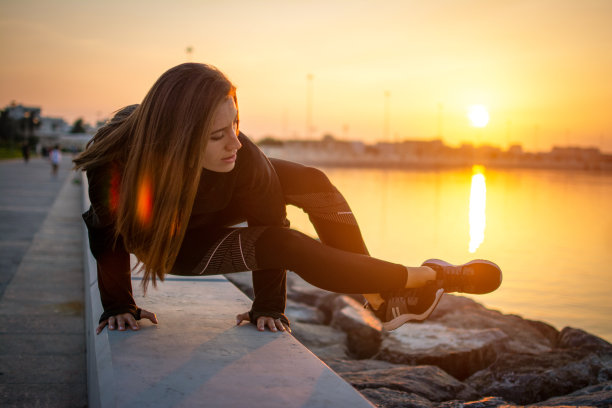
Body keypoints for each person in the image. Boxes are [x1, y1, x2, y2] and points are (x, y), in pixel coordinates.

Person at [73, 63, 502, 335]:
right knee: (290, 245)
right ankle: (428, 277)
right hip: (174, 246)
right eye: (218, 136)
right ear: (179, 138)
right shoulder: (117, 161)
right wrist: (118, 305)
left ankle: (381, 300)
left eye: (236, 125)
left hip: (218, 204)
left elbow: (270, 229)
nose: (234, 144)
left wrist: (268, 306)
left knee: (312, 182)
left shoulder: (247, 160)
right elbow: (106, 232)